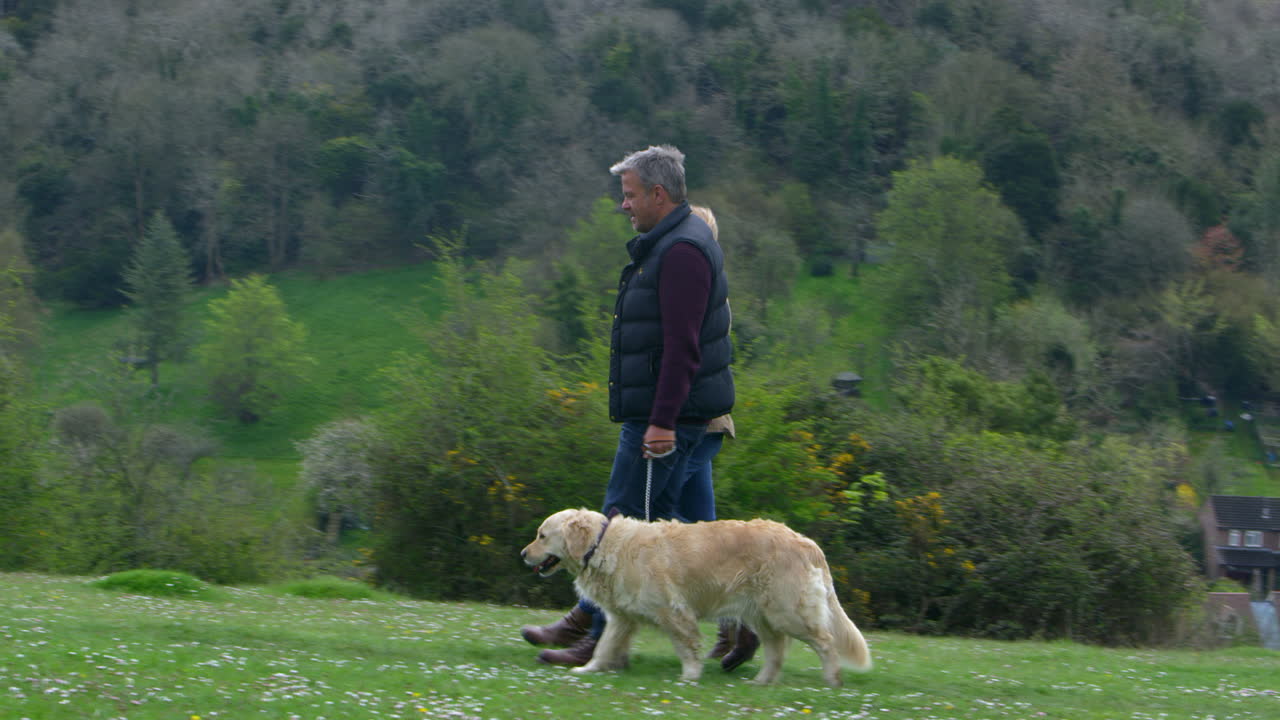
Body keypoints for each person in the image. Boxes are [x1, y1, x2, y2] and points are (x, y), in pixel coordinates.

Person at [522, 145, 738, 668]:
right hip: (672, 414)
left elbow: (682, 347)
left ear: (658, 194)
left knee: (613, 531)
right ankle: (739, 627)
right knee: (695, 531)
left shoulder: (682, 251)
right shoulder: (674, 243)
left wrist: (661, 421)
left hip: (662, 419)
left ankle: (600, 643)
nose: (624, 205)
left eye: (630, 194)